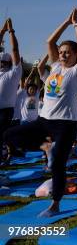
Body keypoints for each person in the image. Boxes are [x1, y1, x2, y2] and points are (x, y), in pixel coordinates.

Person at [5, 8, 77, 217]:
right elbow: (50, 42)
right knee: (9, 136)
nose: (62, 55)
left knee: (58, 165)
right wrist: (66, 22)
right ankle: (46, 147)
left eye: (67, 52)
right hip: (44, 121)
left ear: (76, 55)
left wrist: (76, 25)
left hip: (65, 124)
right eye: (61, 52)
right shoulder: (55, 68)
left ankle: (55, 204)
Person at [0, 18, 22, 163]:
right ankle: (7, 154)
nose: (1, 64)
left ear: (9, 63)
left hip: (5, 110)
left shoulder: (14, 73)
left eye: (4, 62)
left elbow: (14, 50)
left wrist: (11, 32)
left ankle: (6, 156)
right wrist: (1, 31)